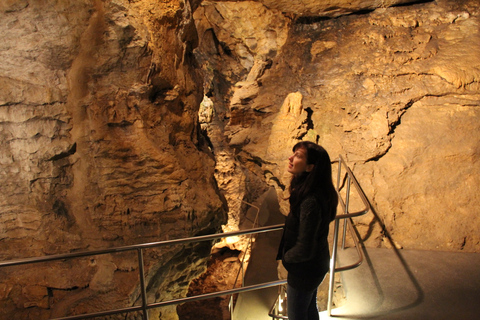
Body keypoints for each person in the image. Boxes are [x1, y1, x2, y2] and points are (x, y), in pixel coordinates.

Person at [276, 141, 338, 320]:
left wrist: (287, 258)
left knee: (297, 315)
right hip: (316, 264)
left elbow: (304, 247)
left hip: (304, 270)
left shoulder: (310, 200)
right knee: (309, 310)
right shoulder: (317, 190)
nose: (291, 157)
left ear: (310, 167)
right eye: (293, 153)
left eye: (298, 156)